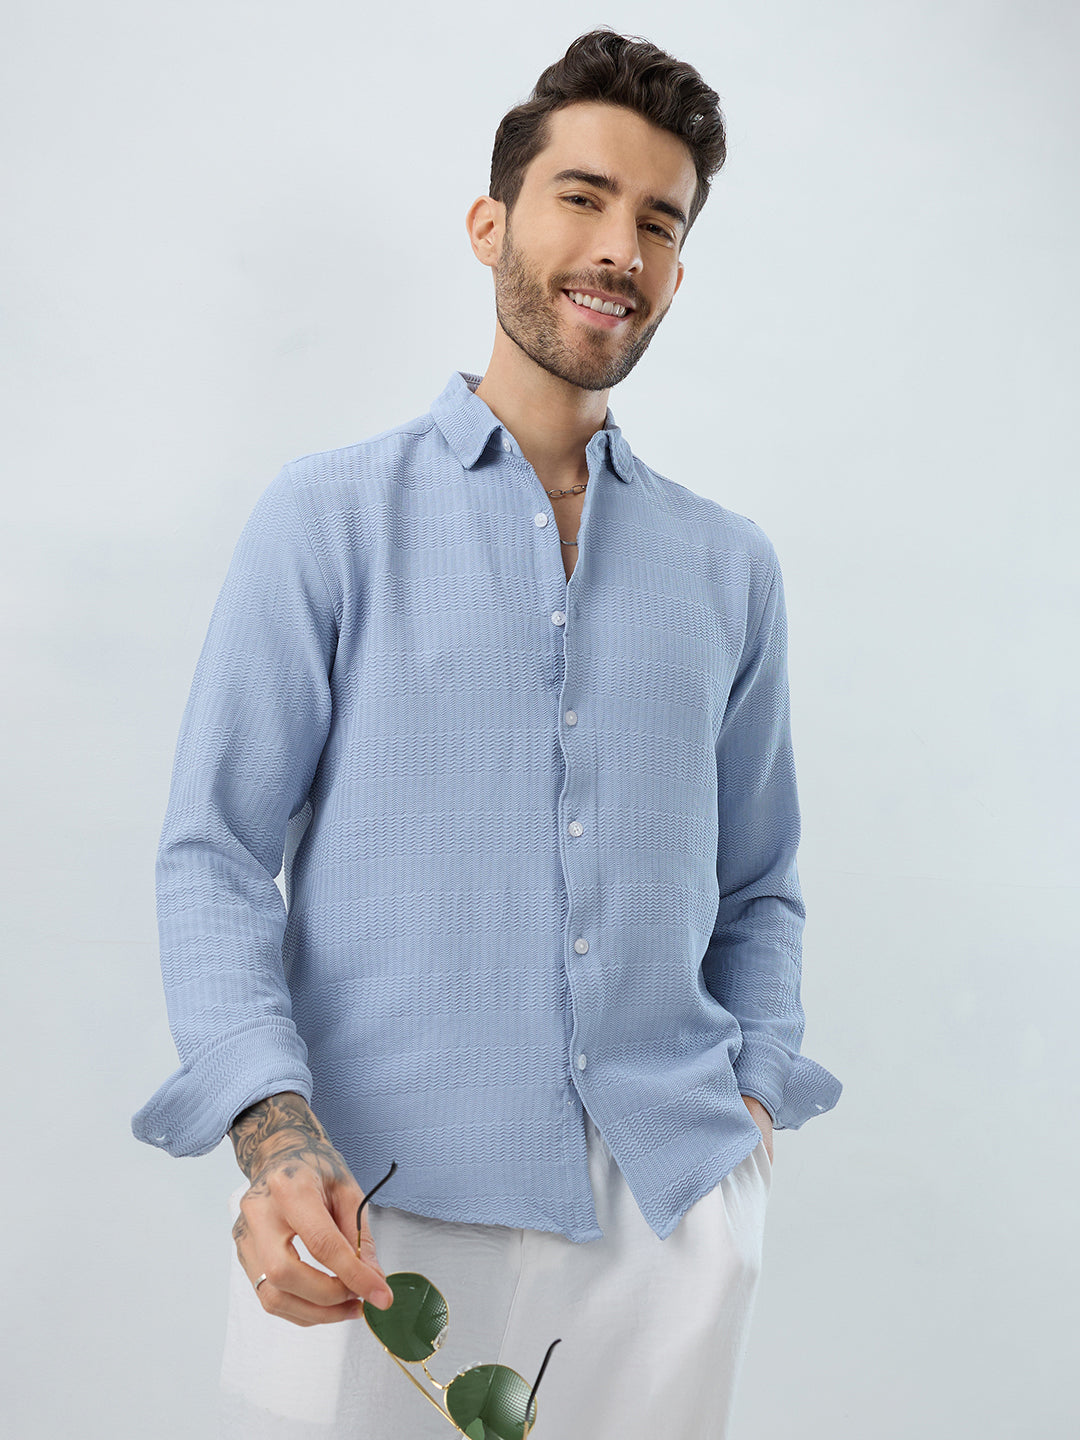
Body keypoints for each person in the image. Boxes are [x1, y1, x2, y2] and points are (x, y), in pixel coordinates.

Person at [131, 26, 842, 1440]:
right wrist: (275, 1139)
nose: (620, 248)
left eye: (660, 222)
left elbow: (760, 883)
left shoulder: (729, 569)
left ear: (679, 270)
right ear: (490, 223)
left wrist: (753, 1108)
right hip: (372, 1206)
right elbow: (214, 853)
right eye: (583, 197)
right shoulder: (329, 520)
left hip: (667, 1216)